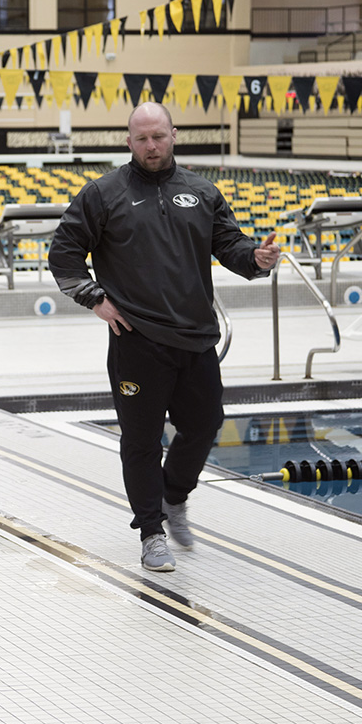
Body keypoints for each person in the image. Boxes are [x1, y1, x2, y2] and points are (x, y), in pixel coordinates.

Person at [48, 102, 281, 573]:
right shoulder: (103, 194)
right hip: (136, 339)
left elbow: (229, 245)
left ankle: (174, 496)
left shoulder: (202, 192)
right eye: (141, 139)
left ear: (174, 134)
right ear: (128, 141)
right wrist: (94, 298)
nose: (151, 146)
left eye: (158, 136)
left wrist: (254, 260)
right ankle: (151, 531)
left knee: (205, 424)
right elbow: (64, 253)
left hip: (196, 337)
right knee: (140, 440)